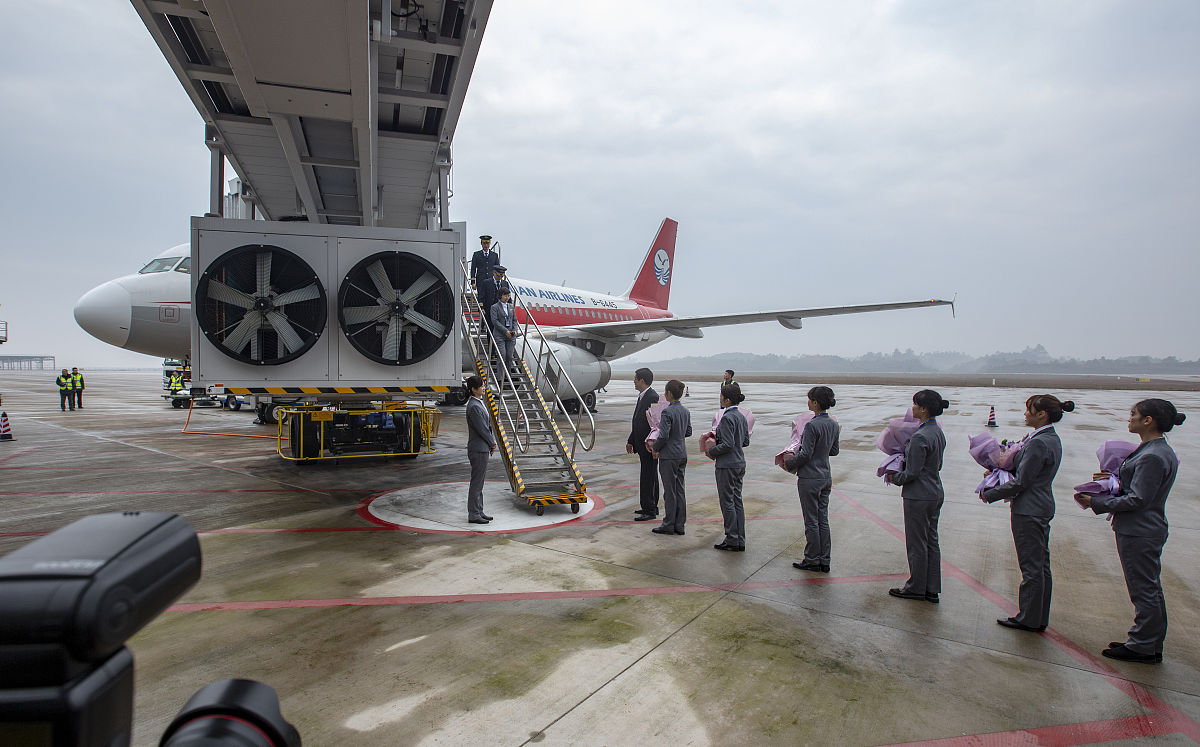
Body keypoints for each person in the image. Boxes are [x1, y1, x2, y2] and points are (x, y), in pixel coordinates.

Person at [1075, 398, 1184, 664]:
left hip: (1140, 530)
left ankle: (1143, 645)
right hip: (1145, 528)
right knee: (1149, 588)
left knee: (1143, 589)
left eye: (1133, 414)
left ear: (1148, 421)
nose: (1130, 418)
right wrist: (1114, 480)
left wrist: (1097, 502)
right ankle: (1148, 640)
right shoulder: (1154, 450)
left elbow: (1138, 500)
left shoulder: (1153, 456)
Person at [981, 395, 1075, 633]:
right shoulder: (1048, 438)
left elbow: (1023, 481)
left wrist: (990, 492)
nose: (1026, 414)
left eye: (1029, 410)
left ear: (1042, 414)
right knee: (1041, 565)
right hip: (1040, 505)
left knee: (1032, 566)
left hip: (1030, 508)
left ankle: (1029, 618)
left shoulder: (1039, 443)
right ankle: (1038, 615)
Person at [886, 390, 949, 603]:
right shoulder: (937, 432)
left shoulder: (920, 436)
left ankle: (916, 587)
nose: (911, 408)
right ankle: (931, 587)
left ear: (923, 409)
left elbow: (912, 473)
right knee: (931, 540)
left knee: (916, 543)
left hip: (919, 494)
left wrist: (895, 477)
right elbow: (937, 464)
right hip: (934, 490)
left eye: (914, 405)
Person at [788, 386, 840, 572]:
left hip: (810, 477)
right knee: (822, 519)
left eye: (810, 399)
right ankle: (824, 559)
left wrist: (790, 462)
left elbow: (806, 454)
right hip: (825, 475)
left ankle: (811, 558)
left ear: (816, 403)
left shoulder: (811, 425)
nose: (808, 402)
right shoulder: (833, 424)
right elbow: (834, 451)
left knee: (811, 520)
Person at [708, 383, 750, 551]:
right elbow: (745, 441)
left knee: (727, 503)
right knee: (737, 501)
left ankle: (732, 538)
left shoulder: (726, 417)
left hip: (727, 465)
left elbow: (728, 444)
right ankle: (739, 537)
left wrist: (712, 450)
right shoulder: (742, 416)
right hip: (740, 462)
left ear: (726, 399)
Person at [650, 379, 692, 536]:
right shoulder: (685, 411)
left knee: (669, 491)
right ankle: (680, 524)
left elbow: (664, 435)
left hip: (669, 455)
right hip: (682, 453)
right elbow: (688, 432)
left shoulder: (667, 412)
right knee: (679, 489)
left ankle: (668, 523)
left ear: (668, 393)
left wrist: (655, 447)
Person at [626, 367, 661, 521]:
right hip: (641, 444)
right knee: (648, 475)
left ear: (642, 380)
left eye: (635, 379)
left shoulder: (652, 397)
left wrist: (653, 445)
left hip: (649, 445)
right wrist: (631, 440)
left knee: (649, 476)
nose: (634, 381)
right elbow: (638, 421)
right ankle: (650, 506)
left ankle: (650, 509)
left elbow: (655, 424)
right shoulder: (643, 396)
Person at [464, 375, 497, 525]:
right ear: (473, 389)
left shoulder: (477, 403)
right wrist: (492, 443)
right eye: (481, 386)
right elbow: (483, 429)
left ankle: (479, 510)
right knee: (477, 482)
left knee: (479, 482)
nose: (484, 388)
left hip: (481, 448)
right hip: (478, 448)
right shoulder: (474, 406)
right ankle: (473, 513)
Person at [489, 287, 520, 381]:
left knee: (509, 356)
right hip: (500, 335)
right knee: (502, 355)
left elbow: (514, 320)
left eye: (508, 295)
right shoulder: (494, 307)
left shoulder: (511, 307)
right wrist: (505, 331)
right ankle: (500, 379)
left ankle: (508, 377)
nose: (507, 297)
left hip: (511, 335)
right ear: (500, 295)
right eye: (505, 295)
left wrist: (515, 330)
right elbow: (495, 321)